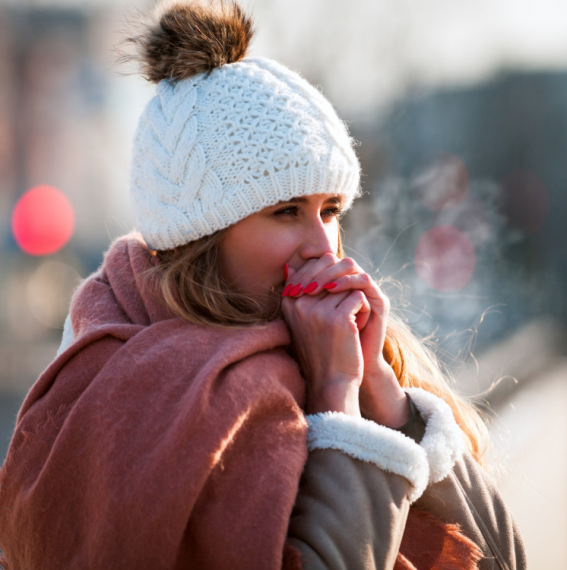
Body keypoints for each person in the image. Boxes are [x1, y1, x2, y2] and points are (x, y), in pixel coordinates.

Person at [0, 1, 526, 569]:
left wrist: (383, 395)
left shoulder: (352, 351)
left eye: (330, 210)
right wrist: (335, 404)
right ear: (203, 237)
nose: (324, 247)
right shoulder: (126, 383)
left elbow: (505, 560)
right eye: (286, 211)